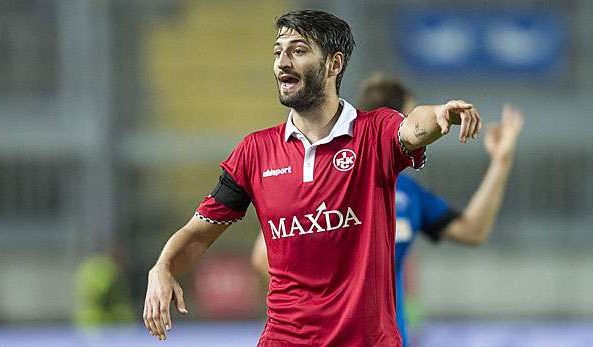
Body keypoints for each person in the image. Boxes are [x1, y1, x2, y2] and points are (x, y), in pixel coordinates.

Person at [143, 10, 482, 346]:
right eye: (278, 52)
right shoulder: (254, 152)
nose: (282, 62)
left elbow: (413, 127)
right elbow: (199, 233)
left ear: (334, 64)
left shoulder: (374, 133)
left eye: (298, 50)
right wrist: (163, 267)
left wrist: (440, 115)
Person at [251, 73, 524, 346]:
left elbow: (472, 230)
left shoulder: (407, 192)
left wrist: (501, 163)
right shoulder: (326, 177)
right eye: (410, 117)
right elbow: (264, 256)